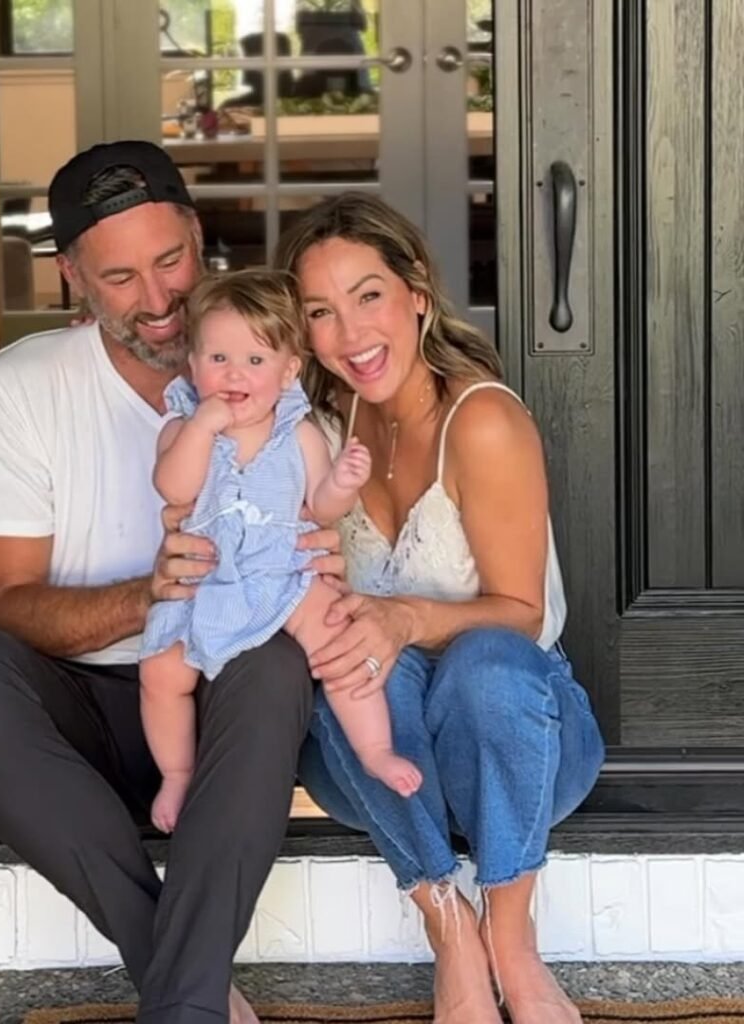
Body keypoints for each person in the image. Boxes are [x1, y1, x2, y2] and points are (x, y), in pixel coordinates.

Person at [0, 141, 343, 1024]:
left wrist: (332, 557)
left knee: (270, 667)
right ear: (72, 275)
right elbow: (7, 603)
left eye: (170, 260)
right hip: (91, 717)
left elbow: (333, 514)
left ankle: (181, 1002)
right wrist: (149, 592)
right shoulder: (23, 387)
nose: (157, 300)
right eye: (118, 277)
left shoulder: (280, 365)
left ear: (198, 236)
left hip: (233, 703)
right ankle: (183, 984)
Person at [275, 193, 605, 1024]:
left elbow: (523, 611)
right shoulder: (316, 433)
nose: (350, 334)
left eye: (369, 295)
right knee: (356, 662)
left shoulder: (481, 419)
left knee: (486, 661)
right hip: (379, 763)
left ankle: (513, 941)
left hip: (515, 746)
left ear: (417, 292)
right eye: (320, 311)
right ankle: (449, 929)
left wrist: (406, 619)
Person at [140, 269, 422, 833]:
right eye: (217, 359)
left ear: (289, 371)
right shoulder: (181, 428)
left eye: (254, 361)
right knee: (160, 673)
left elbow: (320, 509)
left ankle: (374, 749)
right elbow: (174, 487)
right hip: (205, 583)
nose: (233, 375)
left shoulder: (299, 434)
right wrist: (204, 426)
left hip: (283, 575)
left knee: (340, 643)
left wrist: (342, 480)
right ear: (192, 366)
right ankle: (177, 772)